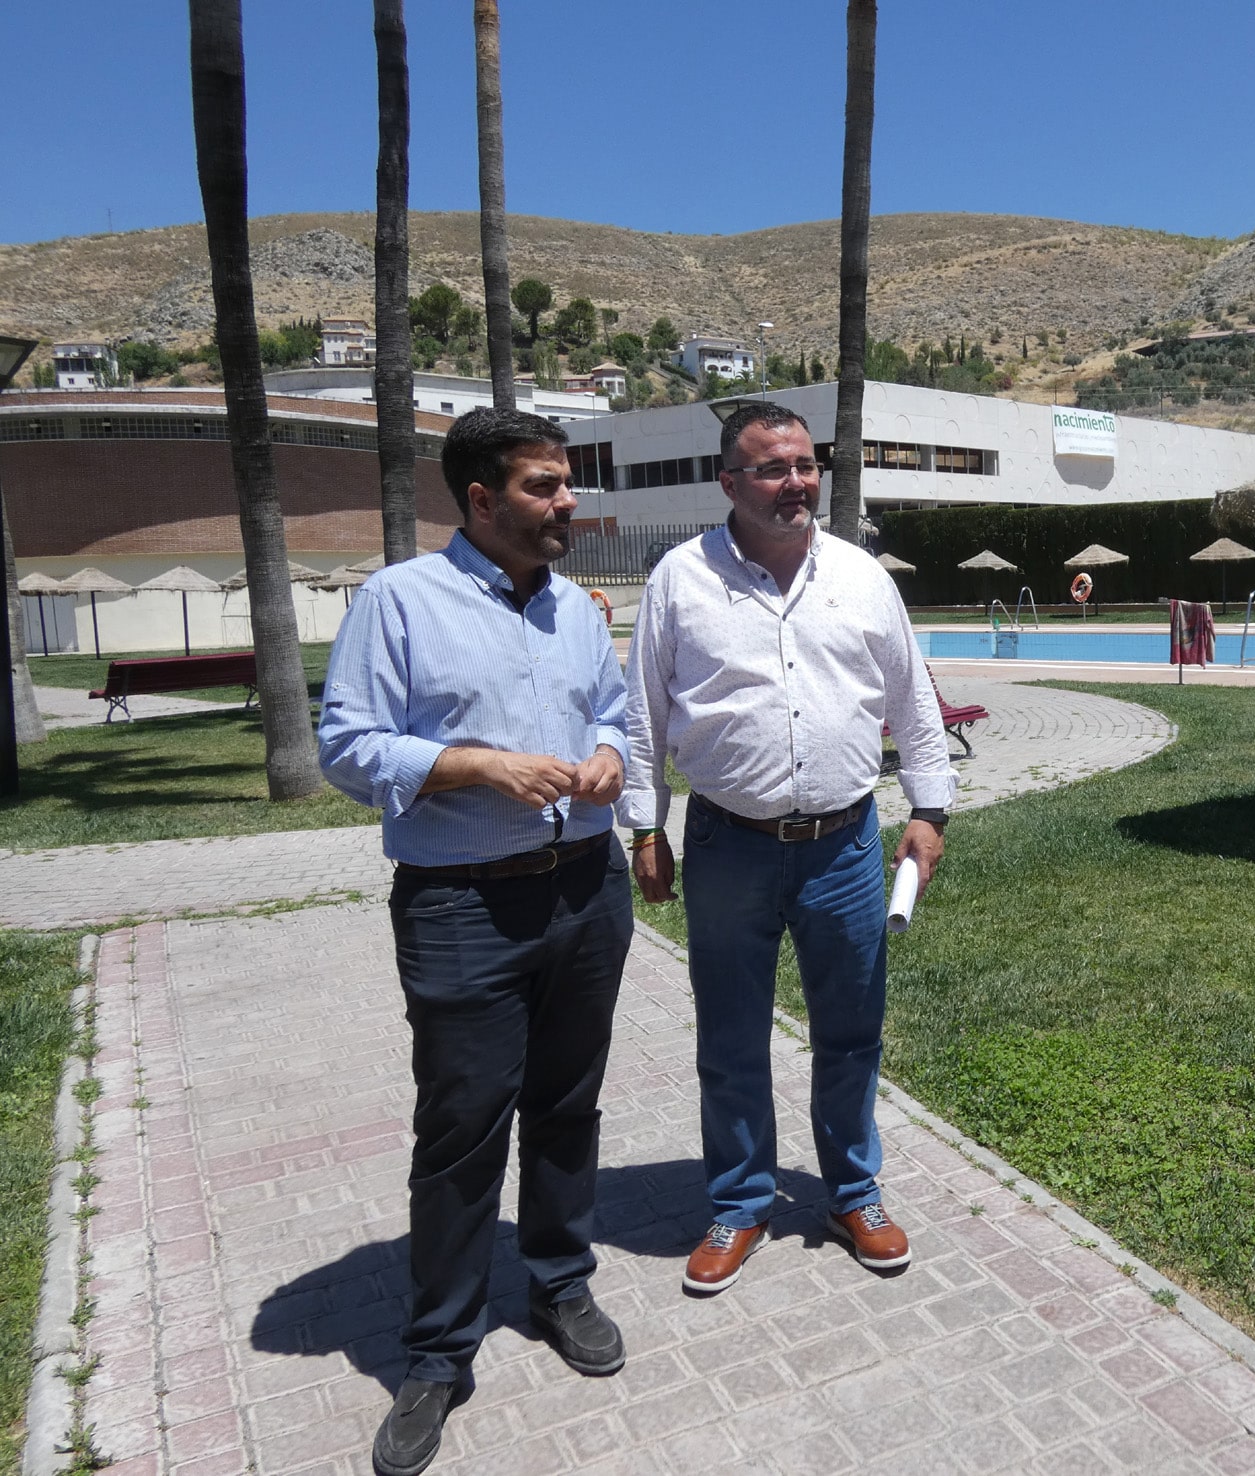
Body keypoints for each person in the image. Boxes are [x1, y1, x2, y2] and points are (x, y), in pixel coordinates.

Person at [318, 407, 635, 1476]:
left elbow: (617, 713)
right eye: (546, 487)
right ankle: (436, 1351)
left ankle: (558, 1286)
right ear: (483, 499)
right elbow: (348, 745)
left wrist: (602, 756)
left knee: (567, 1105)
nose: (567, 503)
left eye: (566, 484)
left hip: (586, 891)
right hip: (461, 904)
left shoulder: (580, 612)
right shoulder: (397, 601)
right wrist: (476, 764)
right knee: (461, 1129)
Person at [620, 399, 954, 1294]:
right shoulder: (679, 581)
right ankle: (738, 1204)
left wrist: (931, 812)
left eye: (805, 466)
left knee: (850, 1032)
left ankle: (853, 1192)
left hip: (845, 847)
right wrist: (645, 827)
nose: (795, 482)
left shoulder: (860, 577)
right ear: (729, 481)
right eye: (771, 468)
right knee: (730, 1035)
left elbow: (913, 704)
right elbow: (642, 717)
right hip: (726, 844)